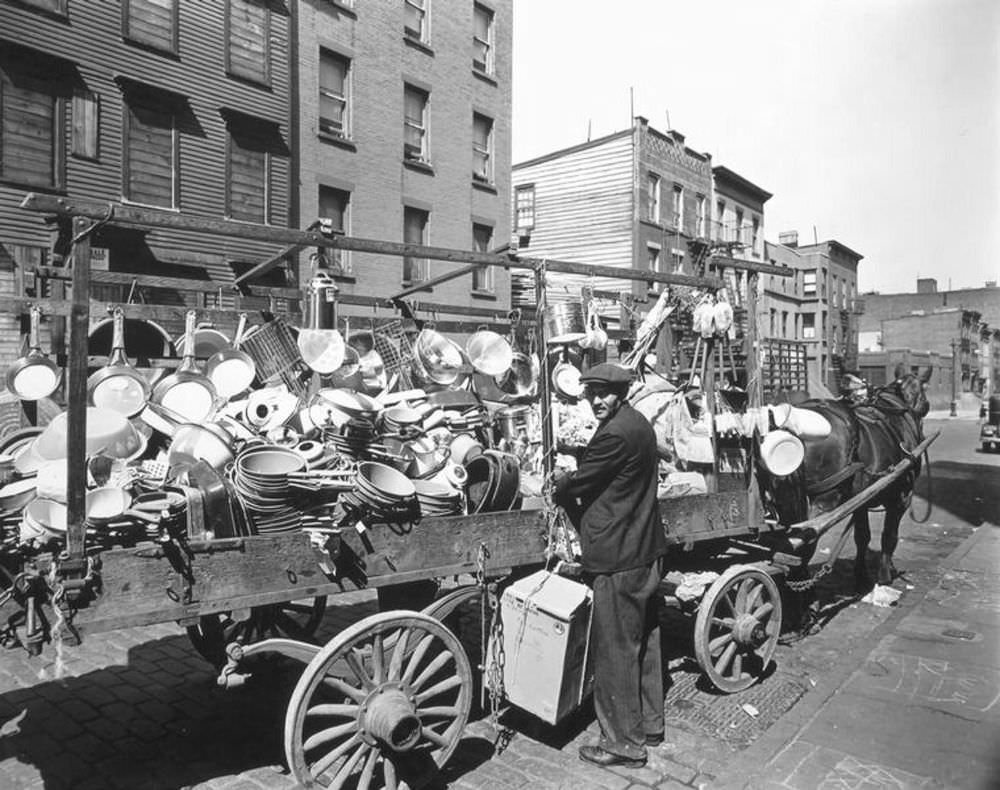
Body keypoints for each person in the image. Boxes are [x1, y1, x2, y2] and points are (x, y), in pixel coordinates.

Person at [552, 362, 667, 769]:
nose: (596, 400)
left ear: (621, 391)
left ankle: (623, 744)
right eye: (590, 393)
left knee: (616, 650)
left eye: (604, 393)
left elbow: (580, 482)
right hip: (645, 549)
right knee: (645, 640)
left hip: (619, 555)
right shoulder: (636, 422)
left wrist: (560, 482)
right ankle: (650, 723)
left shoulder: (615, 434)